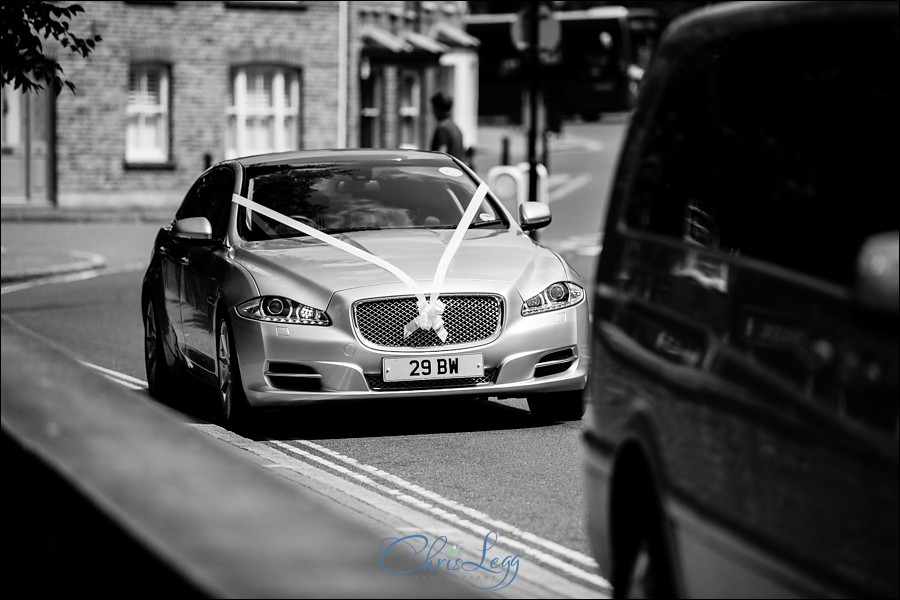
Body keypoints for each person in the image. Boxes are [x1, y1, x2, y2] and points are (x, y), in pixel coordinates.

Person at [429, 92, 466, 162]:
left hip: (445, 170)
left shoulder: (442, 128)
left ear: (437, 108)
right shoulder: (456, 127)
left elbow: (441, 155)